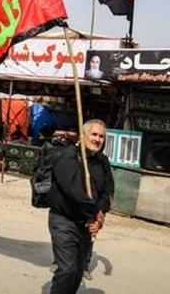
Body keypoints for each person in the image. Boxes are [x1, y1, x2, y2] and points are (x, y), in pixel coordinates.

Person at [48, 119, 113, 294]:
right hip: (64, 220)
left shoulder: (102, 161)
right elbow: (74, 192)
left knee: (78, 270)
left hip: (86, 224)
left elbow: (108, 192)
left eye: (101, 136)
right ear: (83, 135)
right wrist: (94, 213)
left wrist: (100, 215)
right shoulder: (68, 156)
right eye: (94, 134)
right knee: (67, 269)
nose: (97, 139)